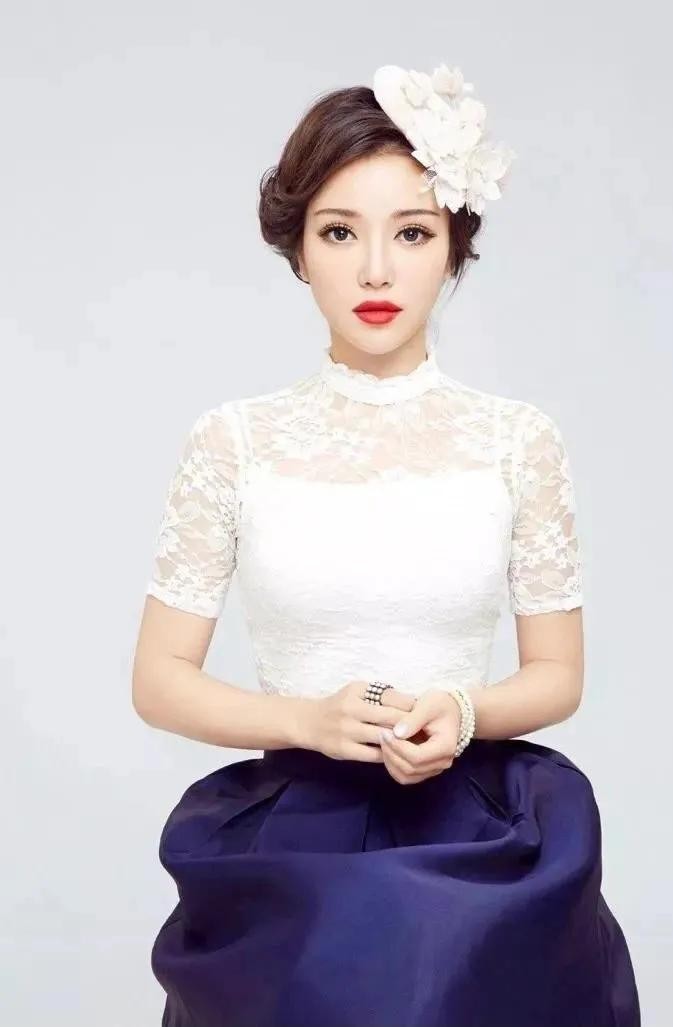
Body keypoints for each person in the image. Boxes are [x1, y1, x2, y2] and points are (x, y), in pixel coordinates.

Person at [132, 63, 641, 1027]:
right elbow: (159, 679)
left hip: (473, 840)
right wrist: (310, 720)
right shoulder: (233, 441)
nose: (376, 271)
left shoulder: (518, 440)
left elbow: (559, 674)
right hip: (294, 836)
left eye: (411, 233)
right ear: (298, 250)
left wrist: (462, 705)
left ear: (453, 249)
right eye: (340, 232)